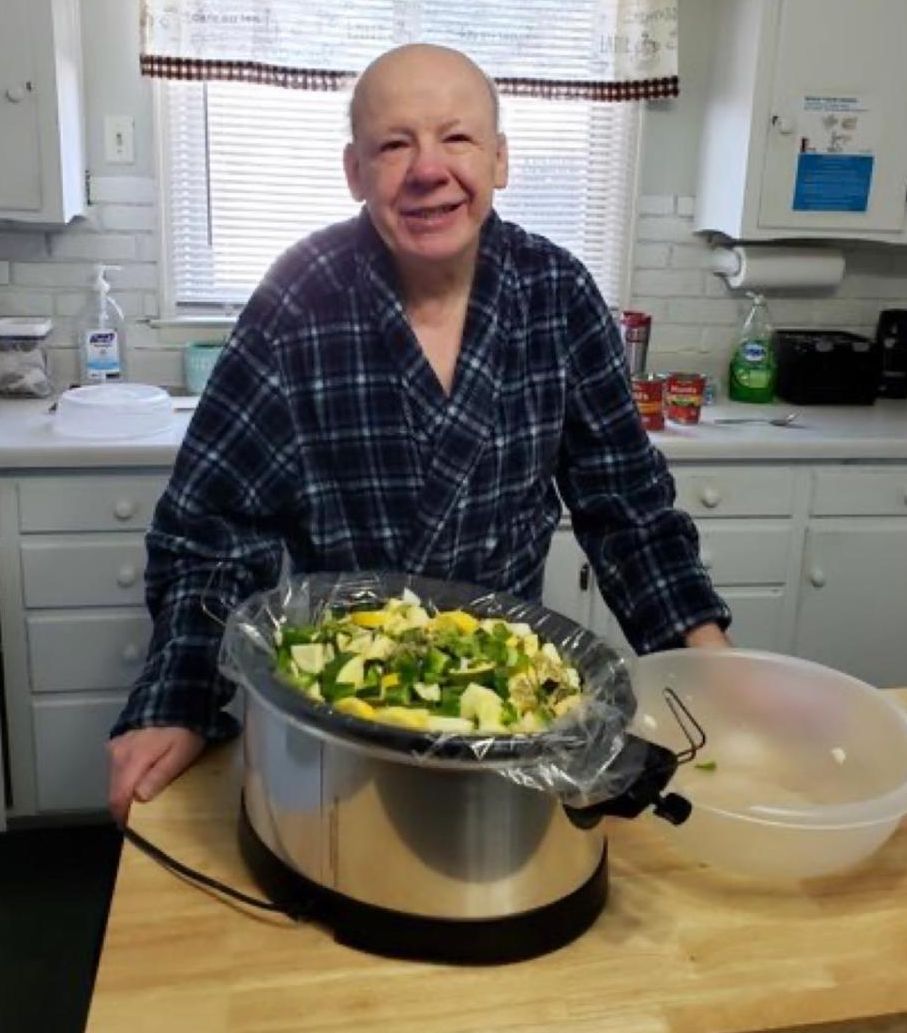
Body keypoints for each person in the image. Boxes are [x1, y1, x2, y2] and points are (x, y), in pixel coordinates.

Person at [107, 43, 731, 824]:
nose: (428, 169)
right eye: (394, 144)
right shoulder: (297, 299)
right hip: (335, 705)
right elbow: (211, 531)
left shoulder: (558, 294)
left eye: (457, 137)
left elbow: (627, 508)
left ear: (499, 159)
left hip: (506, 699)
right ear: (354, 171)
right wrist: (176, 698)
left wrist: (711, 666)